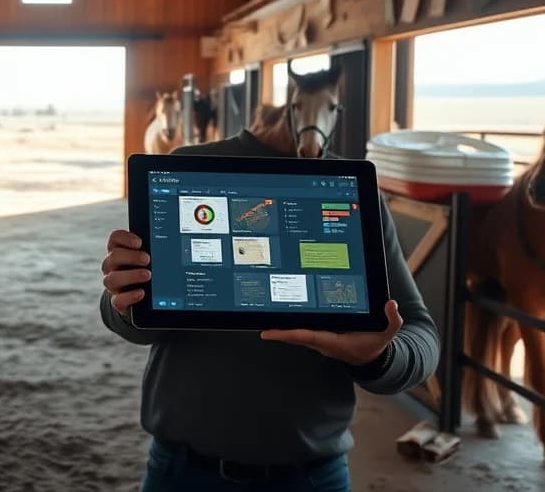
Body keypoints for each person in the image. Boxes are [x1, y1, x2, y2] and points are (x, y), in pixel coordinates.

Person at [100, 132, 439, 491]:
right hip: (182, 470)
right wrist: (122, 301)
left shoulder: (353, 188)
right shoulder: (186, 165)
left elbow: (421, 335)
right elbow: (136, 321)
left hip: (311, 474)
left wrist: (378, 358)